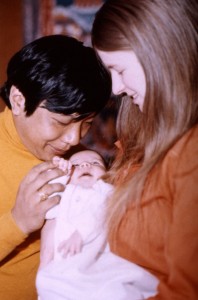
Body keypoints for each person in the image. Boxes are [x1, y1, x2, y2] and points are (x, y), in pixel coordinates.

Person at [91, 0, 198, 299]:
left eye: (119, 69)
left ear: (159, 53)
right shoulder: (143, 136)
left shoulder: (189, 152)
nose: (116, 88)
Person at [0, 34, 111, 300]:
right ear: (18, 100)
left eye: (86, 123)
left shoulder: (81, 161)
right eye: (61, 122)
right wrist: (18, 221)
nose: (75, 139)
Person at [36, 149, 159, 300]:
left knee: (110, 291)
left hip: (93, 260)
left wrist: (80, 233)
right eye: (75, 165)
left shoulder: (104, 191)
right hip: (62, 266)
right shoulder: (64, 194)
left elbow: (101, 211)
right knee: (47, 283)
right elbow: (49, 210)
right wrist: (60, 171)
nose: (86, 164)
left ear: (107, 174)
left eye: (95, 163)